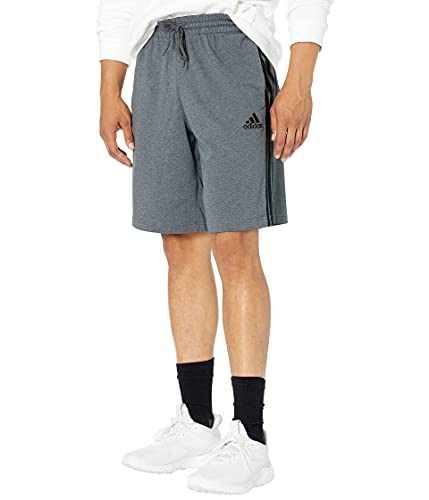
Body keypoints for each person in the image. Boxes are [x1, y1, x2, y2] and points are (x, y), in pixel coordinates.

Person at [97, 0, 333, 494]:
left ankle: (251, 436)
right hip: (156, 54)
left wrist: (300, 81)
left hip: (230, 49)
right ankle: (197, 421)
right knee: (180, 242)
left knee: (234, 243)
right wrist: (109, 89)